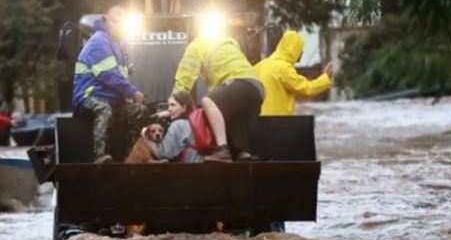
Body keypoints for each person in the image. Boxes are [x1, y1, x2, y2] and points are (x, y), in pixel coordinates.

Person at [172, 29, 264, 161]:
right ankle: (243, 154)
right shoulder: (228, 41)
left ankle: (222, 149)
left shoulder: (196, 45)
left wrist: (173, 102)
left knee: (208, 101)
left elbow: (185, 76)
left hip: (239, 82)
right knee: (233, 118)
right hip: (256, 89)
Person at [72, 6, 148, 164]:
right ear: (107, 22)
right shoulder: (99, 41)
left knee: (140, 111)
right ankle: (100, 155)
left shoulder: (119, 46)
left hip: (112, 101)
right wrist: (133, 93)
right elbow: (109, 76)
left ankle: (133, 154)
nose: (119, 26)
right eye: (116, 22)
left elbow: (123, 74)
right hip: (89, 97)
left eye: (122, 23)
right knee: (103, 109)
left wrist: (131, 98)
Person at [255, 30, 333, 116]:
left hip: (258, 121)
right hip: (277, 122)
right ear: (293, 50)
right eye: (300, 49)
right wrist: (326, 77)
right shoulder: (283, 68)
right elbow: (308, 89)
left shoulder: (259, 66)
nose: (302, 53)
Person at [141, 91, 215, 162]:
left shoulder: (178, 125)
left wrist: (144, 134)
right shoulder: (193, 123)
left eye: (173, 105)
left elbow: (163, 154)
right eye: (168, 105)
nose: (169, 109)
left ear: (184, 108)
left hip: (189, 170)